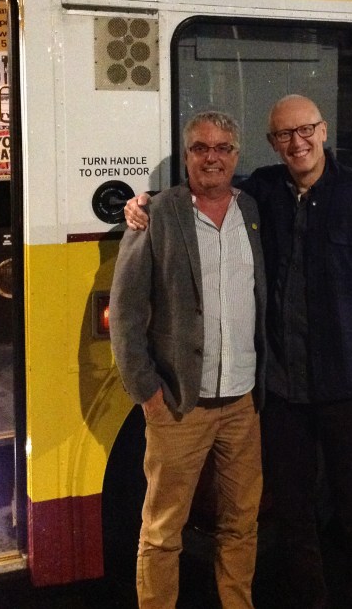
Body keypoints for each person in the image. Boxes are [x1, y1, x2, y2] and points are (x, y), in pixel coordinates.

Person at [125, 95, 352, 609]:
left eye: (305, 130)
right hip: (280, 396)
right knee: (292, 520)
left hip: (346, 387)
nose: (296, 142)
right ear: (272, 144)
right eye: (284, 134)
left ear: (322, 131)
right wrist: (140, 203)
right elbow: (205, 190)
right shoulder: (259, 193)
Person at [110, 110, 267, 609]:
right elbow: (126, 314)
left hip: (242, 405)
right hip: (180, 407)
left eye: (223, 148)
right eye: (201, 147)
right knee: (162, 531)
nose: (212, 157)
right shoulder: (156, 213)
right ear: (187, 155)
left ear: (236, 155)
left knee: (241, 525)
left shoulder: (253, 212)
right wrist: (149, 394)